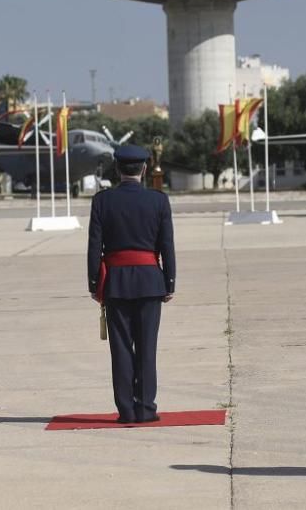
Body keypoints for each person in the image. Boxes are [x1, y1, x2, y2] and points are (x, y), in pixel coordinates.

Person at [87, 145, 176, 424]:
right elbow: (167, 245)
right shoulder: (158, 201)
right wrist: (169, 281)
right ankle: (146, 408)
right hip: (151, 281)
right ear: (145, 169)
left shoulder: (102, 201)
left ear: (117, 169)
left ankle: (126, 410)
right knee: (147, 347)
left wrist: (93, 283)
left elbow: (94, 247)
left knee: (121, 348)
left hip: (116, 283)